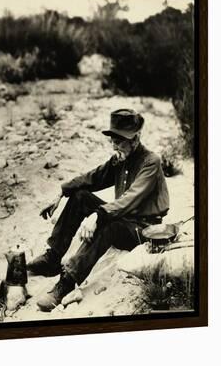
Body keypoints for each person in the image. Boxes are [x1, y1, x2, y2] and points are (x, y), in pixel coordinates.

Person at [29, 108, 169, 311]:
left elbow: (130, 198)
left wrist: (98, 215)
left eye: (119, 141)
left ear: (135, 139)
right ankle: (53, 257)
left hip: (143, 229)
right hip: (121, 217)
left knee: (109, 226)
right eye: (112, 140)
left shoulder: (151, 162)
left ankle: (66, 283)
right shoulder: (120, 158)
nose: (114, 145)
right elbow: (93, 178)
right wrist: (61, 191)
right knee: (80, 197)